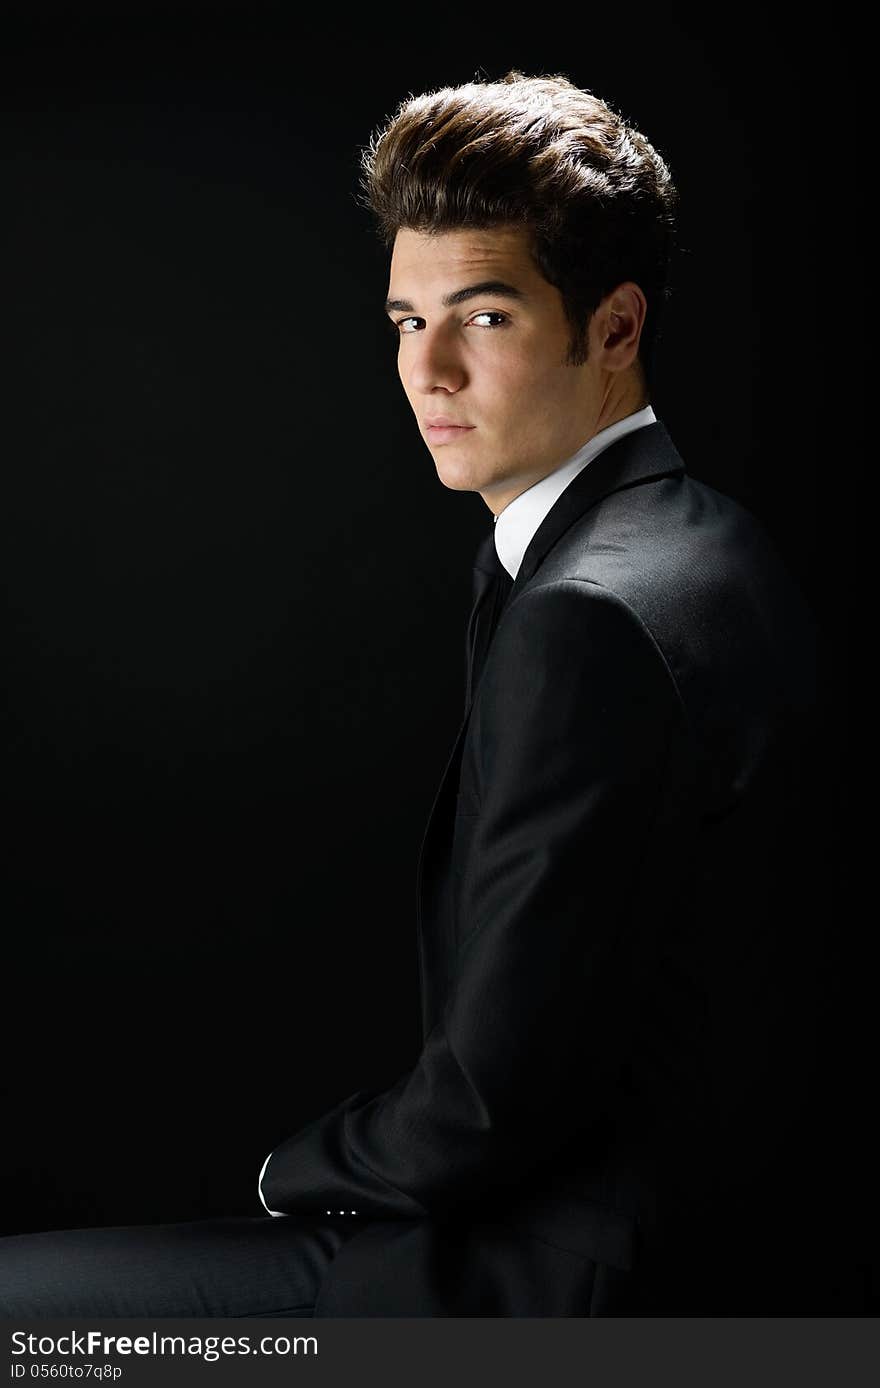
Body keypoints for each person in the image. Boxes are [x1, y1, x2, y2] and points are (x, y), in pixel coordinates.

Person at [0, 69, 837, 1317]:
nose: (427, 369)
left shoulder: (585, 616)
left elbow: (485, 1112)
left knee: (22, 1316)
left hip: (567, 1283)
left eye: (483, 316)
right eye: (405, 320)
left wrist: (292, 1170)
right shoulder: (707, 542)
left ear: (613, 327)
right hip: (697, 1241)